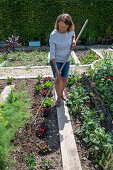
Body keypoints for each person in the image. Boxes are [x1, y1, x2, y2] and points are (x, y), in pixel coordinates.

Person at [49, 14, 76, 107]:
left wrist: (73, 41)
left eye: (65, 27)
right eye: (60, 26)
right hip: (55, 60)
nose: (62, 29)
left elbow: (73, 35)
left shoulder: (70, 30)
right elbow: (52, 53)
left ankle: (61, 92)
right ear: (57, 24)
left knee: (64, 78)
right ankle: (59, 97)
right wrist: (56, 69)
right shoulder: (53, 35)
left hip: (66, 58)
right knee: (58, 78)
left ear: (68, 26)